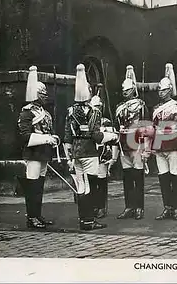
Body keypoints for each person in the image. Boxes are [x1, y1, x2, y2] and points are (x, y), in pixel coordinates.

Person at [63, 64, 118, 230]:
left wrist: (69, 156)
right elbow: (96, 135)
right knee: (90, 187)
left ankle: (84, 219)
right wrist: (112, 137)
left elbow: (67, 137)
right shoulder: (93, 111)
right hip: (89, 153)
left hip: (76, 153)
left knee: (81, 187)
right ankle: (88, 220)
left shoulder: (71, 111)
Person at [17, 66, 58, 229]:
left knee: (39, 186)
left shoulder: (45, 113)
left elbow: (49, 131)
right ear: (35, 94)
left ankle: (38, 215)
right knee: (32, 186)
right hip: (33, 154)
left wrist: (53, 139)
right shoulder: (26, 112)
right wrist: (46, 138)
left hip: (44, 154)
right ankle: (31, 217)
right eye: (42, 94)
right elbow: (25, 136)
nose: (45, 96)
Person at [151, 63, 177, 221]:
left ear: (170, 90)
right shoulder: (156, 108)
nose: (161, 92)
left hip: (173, 146)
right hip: (160, 147)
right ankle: (168, 207)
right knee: (164, 179)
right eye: (160, 90)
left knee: (175, 177)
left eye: (164, 89)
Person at [115, 65, 152, 220]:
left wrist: (146, 149)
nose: (125, 92)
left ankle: (139, 208)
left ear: (133, 90)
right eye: (123, 90)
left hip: (137, 144)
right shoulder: (118, 106)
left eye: (128, 90)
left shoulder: (141, 106)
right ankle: (129, 206)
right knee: (127, 178)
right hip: (123, 145)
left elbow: (147, 128)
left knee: (138, 177)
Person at [90, 85, 119, 219]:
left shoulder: (106, 122)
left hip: (102, 155)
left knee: (101, 182)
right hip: (90, 154)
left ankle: (102, 207)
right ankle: (94, 206)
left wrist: (113, 157)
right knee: (92, 181)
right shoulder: (88, 121)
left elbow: (114, 141)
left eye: (98, 107)